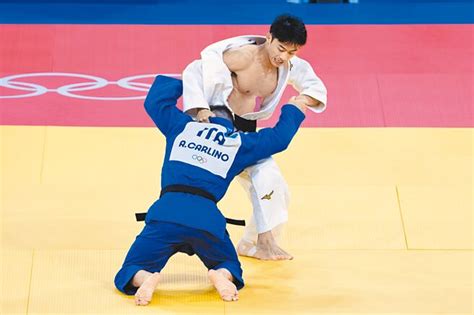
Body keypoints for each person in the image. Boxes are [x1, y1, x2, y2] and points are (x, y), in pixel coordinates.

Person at [114, 75, 308, 305]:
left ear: (200, 112)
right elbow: (280, 138)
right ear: (232, 122)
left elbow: (155, 101)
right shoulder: (239, 143)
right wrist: (294, 109)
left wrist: (193, 79)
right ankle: (221, 275)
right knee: (230, 265)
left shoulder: (181, 126)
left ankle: (145, 277)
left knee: (130, 270)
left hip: (166, 213)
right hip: (206, 220)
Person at [182, 14, 327, 260]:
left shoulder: (289, 64)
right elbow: (194, 70)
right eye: (280, 48)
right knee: (195, 187)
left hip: (247, 132)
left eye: (292, 52)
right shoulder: (241, 56)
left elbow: (314, 87)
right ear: (269, 37)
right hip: (216, 129)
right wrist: (200, 108)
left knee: (273, 184)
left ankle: (257, 243)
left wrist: (302, 99)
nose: (283, 57)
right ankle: (174, 231)